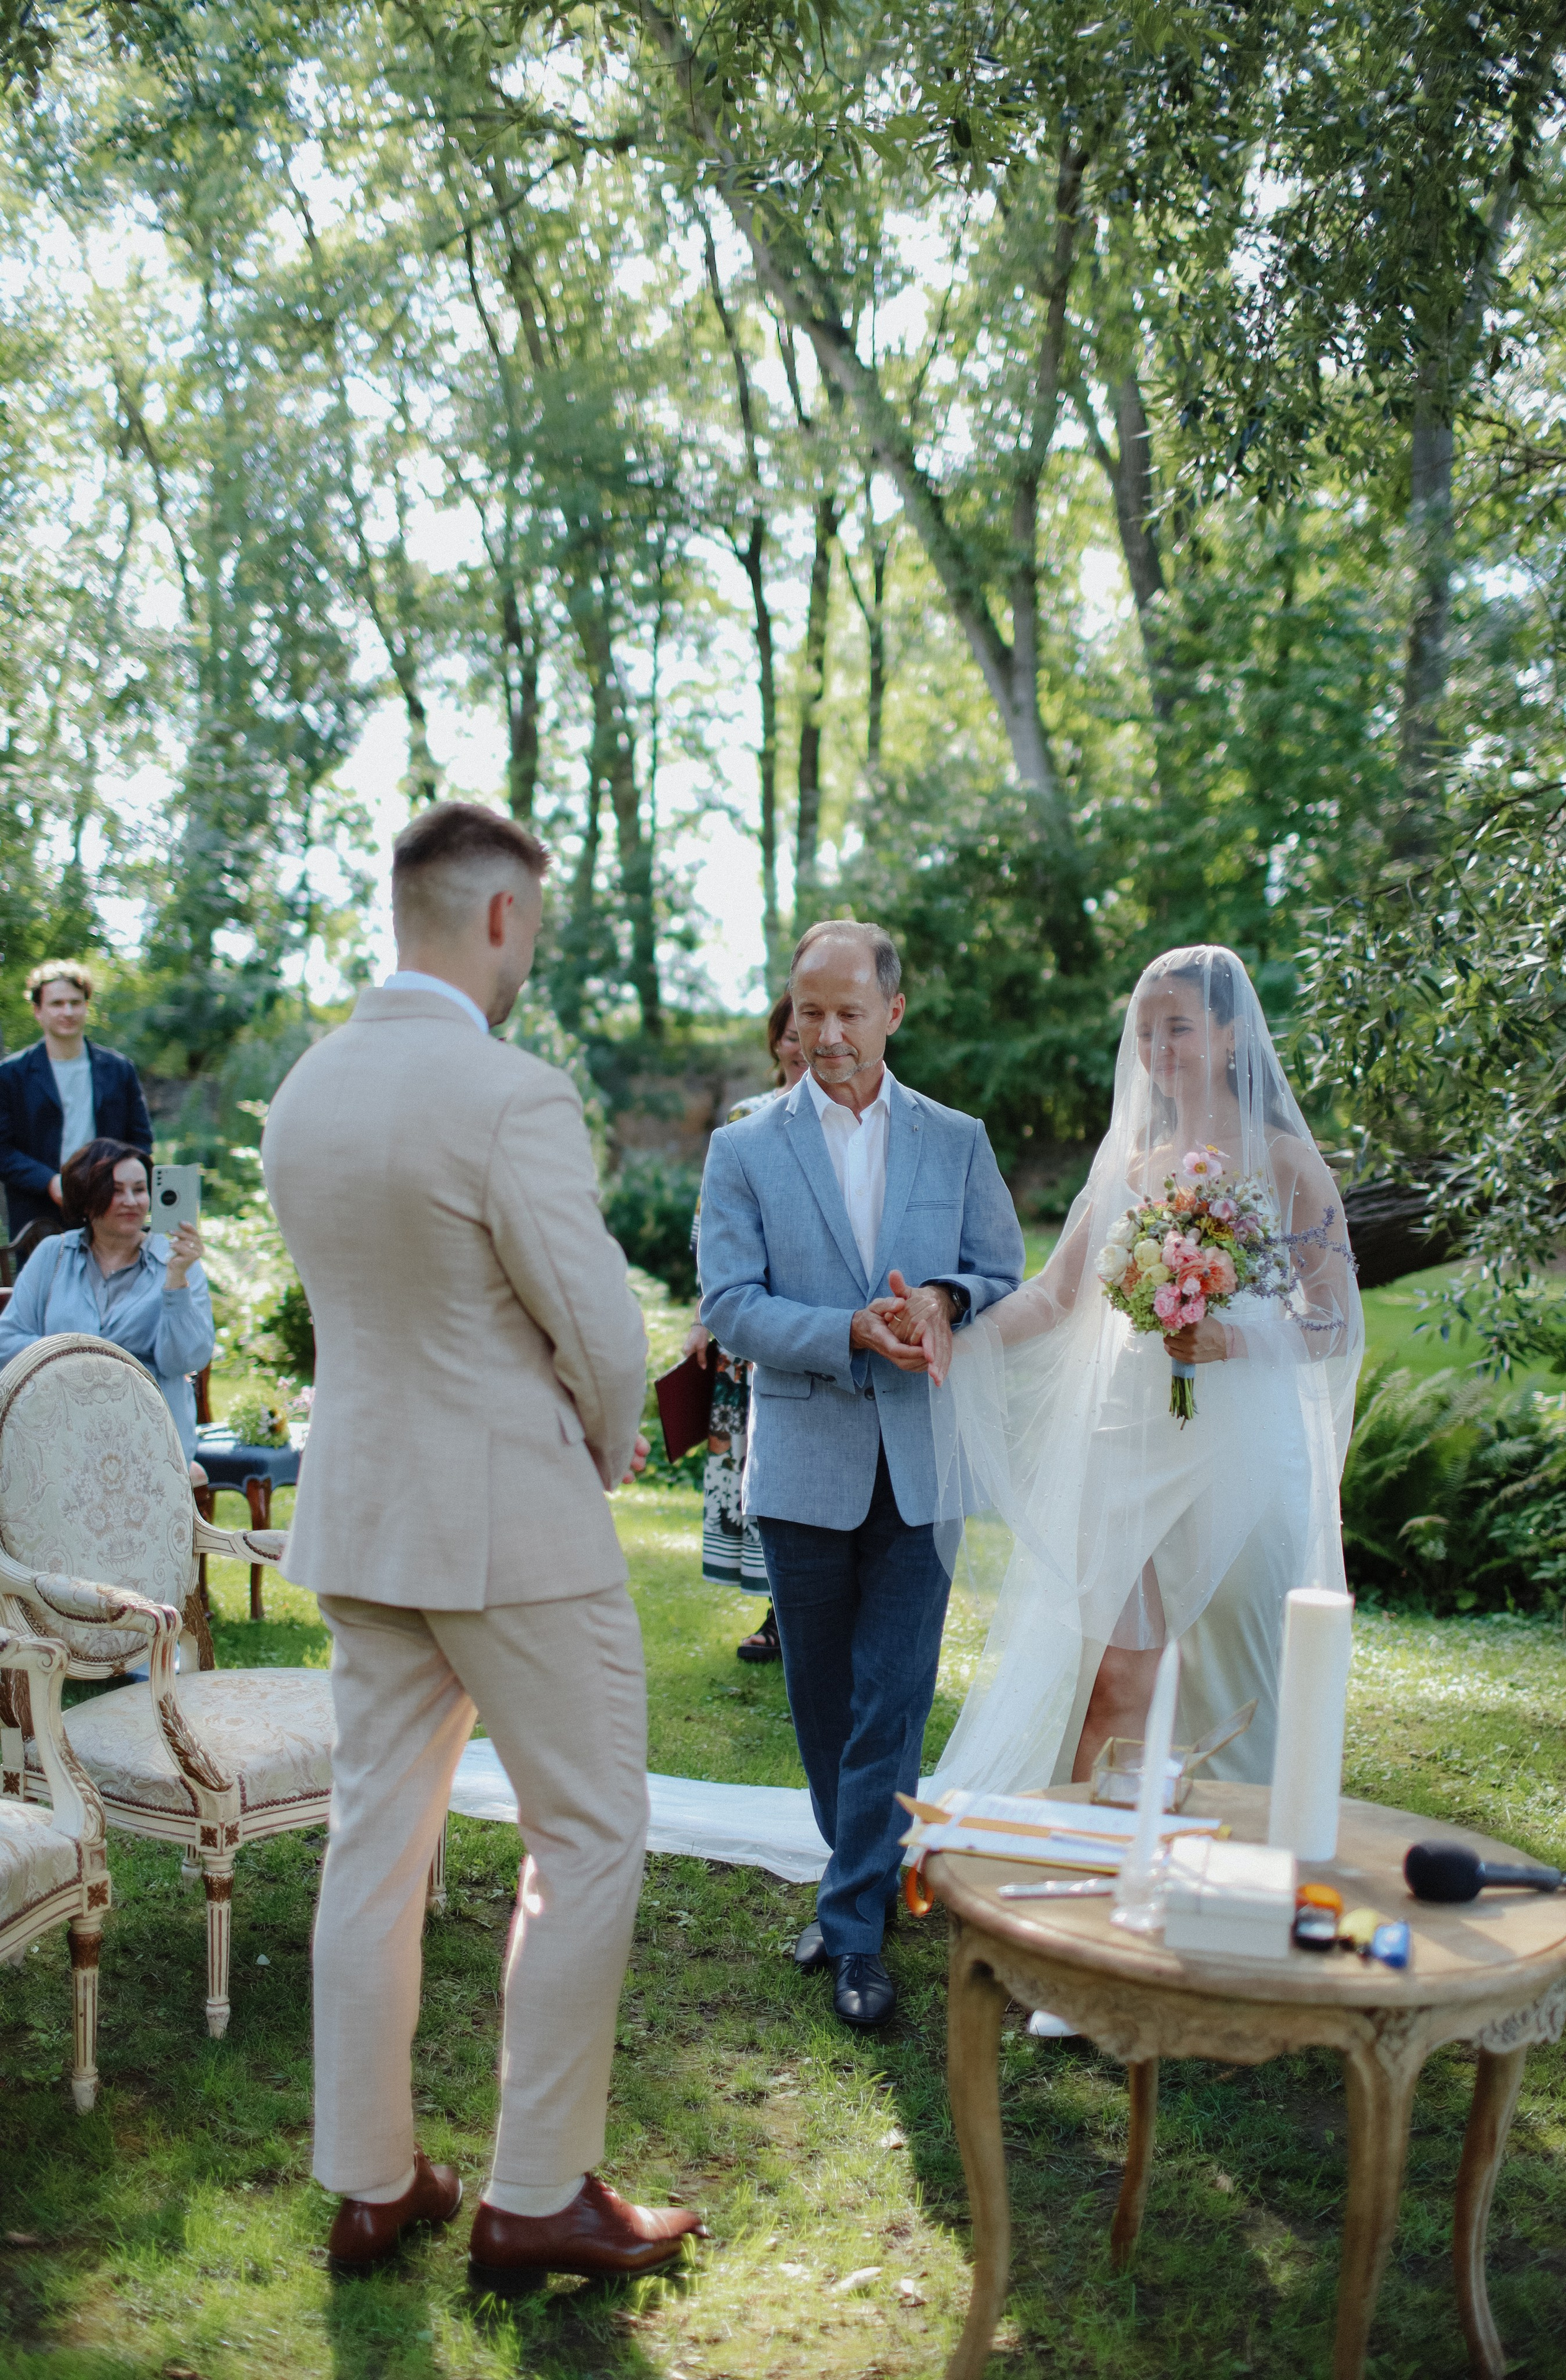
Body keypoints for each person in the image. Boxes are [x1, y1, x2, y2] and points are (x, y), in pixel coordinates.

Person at [262, 800, 703, 2291]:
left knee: (373, 1843)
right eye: (537, 927)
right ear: (500, 915)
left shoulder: (303, 1090)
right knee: (587, 1831)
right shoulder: (510, 1091)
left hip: (366, 1518)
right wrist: (603, 1434)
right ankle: (531, 2192)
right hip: (511, 1522)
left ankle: (370, 2182)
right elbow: (592, 1323)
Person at [922, 944, 1364, 1810]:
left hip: (1244, 1458)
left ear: (1232, 1035)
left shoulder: (1285, 1164)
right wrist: (956, 1333)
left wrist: (1234, 1344)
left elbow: (1335, 1316)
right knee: (1113, 1684)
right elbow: (1053, 1296)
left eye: (1180, 1028)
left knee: (1235, 1679)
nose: (1160, 1050)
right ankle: (1086, 1879)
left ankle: (1228, 1877)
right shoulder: (1127, 1169)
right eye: (1146, 1031)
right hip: (1126, 1446)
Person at [696, 920, 1024, 2029]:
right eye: (807, 1011)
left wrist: (943, 1301)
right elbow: (730, 1305)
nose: (824, 1034)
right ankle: (867, 1886)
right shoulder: (742, 1147)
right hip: (804, 1465)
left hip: (925, 1463)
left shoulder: (958, 1139)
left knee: (893, 1698)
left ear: (894, 1012)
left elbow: (1000, 1274)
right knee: (824, 1707)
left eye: (846, 1012)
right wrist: (848, 1328)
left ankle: (853, 1943)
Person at [682, 992, 808, 1661]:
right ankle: (779, 1611)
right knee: (757, 1467)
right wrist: (701, 1319)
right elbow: (713, 1238)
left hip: (810, 1322)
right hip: (746, 1330)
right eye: (789, 1034)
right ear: (775, 1043)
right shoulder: (742, 1122)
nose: (800, 1044)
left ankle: (794, 1613)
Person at [0, 1137, 212, 1471]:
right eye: (116, 1190)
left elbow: (183, 1360)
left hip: (150, 1442)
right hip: (58, 1438)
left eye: (140, 1189)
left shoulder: (179, 1263)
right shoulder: (52, 1256)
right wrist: (84, 1357)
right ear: (86, 1198)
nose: (131, 1201)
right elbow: (7, 1341)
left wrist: (176, 1282)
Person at [0, 962, 153, 1241]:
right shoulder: (11, 1075)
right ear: (38, 1011)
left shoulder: (119, 1070)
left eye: (75, 1003)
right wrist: (50, 1182)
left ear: (86, 1007)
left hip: (110, 1207)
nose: (68, 1012)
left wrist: (118, 1184)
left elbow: (140, 1141)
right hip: (38, 1213)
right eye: (57, 1004)